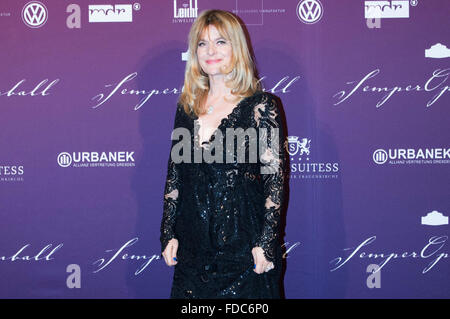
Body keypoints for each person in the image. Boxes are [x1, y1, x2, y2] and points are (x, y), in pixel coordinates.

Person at [160, 9, 287, 298]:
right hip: (193, 251)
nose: (210, 51)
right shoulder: (187, 107)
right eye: (202, 43)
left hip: (245, 249)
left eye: (221, 42)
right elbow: (176, 174)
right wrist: (168, 232)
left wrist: (266, 242)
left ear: (237, 48)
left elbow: (274, 181)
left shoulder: (261, 106)